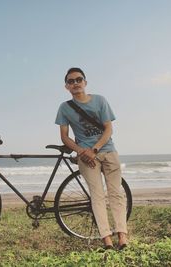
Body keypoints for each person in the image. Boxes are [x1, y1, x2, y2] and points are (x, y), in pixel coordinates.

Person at [55, 67, 128, 250]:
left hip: (107, 151)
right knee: (97, 196)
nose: (75, 83)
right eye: (71, 81)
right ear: (67, 86)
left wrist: (94, 149)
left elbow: (108, 129)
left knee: (116, 194)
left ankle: (123, 236)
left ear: (85, 82)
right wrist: (81, 151)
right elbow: (64, 137)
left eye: (78, 79)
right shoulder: (64, 108)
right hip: (86, 157)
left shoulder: (100, 100)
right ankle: (107, 239)